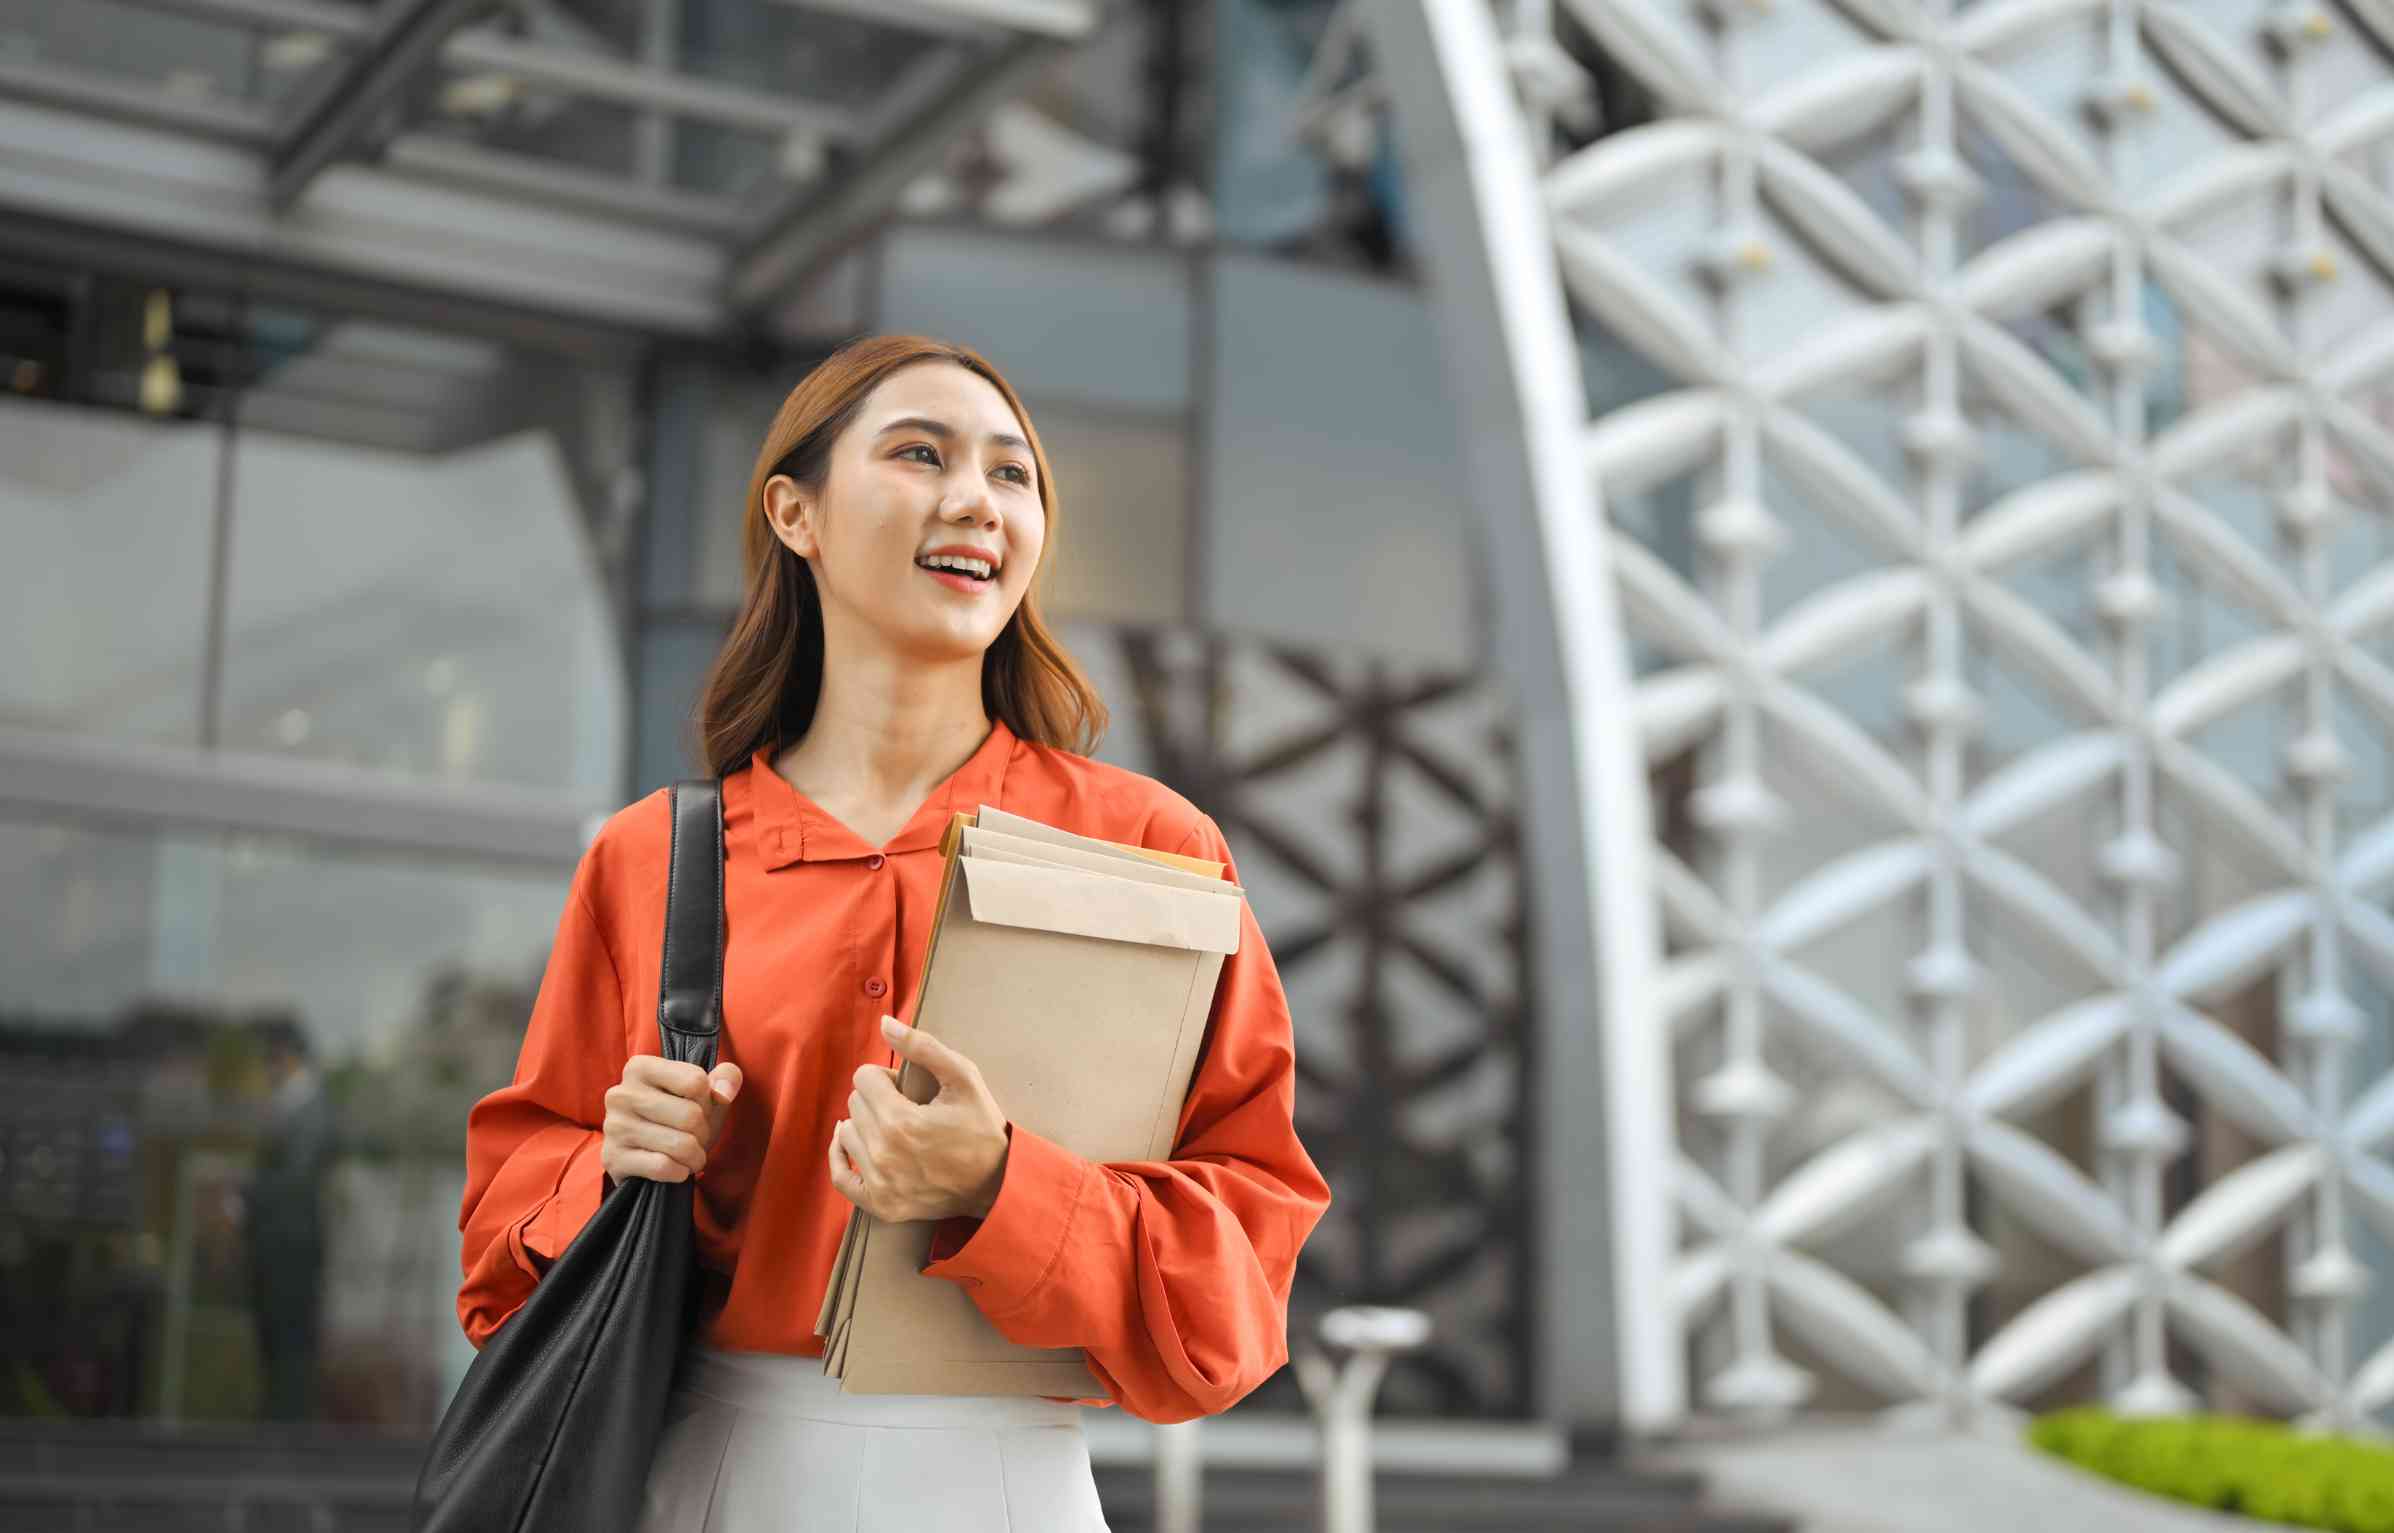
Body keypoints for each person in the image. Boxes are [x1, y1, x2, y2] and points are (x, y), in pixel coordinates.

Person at [456, 335, 1331, 1532]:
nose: (976, 499)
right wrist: (610, 1167)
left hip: (1009, 1486)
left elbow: (1243, 1266)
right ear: (796, 514)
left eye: (1012, 475)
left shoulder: (1152, 847)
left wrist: (1001, 1185)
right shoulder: (649, 859)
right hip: (700, 1474)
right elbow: (497, 1252)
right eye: (921, 454)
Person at [245, 1014, 330, 1422]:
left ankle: (287, 1429)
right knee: (276, 1341)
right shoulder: (287, 1106)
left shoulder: (310, 1109)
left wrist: (245, 1197)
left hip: (290, 1244)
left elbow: (296, 1179)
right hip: (275, 1242)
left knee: (290, 1344)